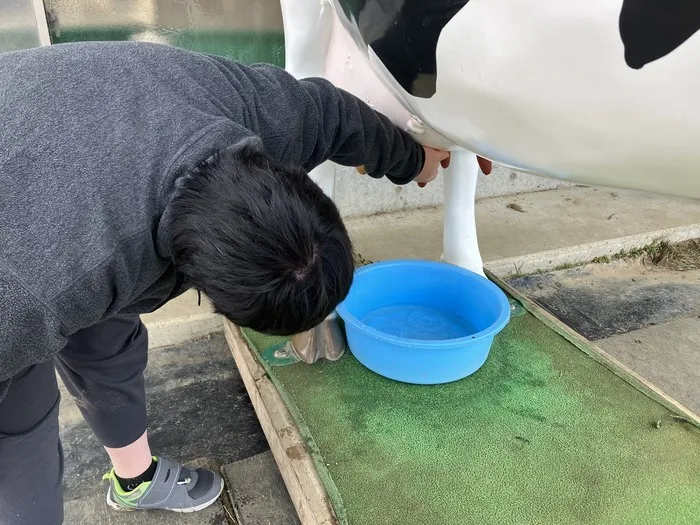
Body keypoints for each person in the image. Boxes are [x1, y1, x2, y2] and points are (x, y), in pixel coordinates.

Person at [0, 40, 453, 524]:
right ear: (210, 293)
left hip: (57, 140)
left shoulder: (253, 109)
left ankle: (135, 480)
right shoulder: (31, 297)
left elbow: (335, 114)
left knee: (108, 333)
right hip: (20, 245)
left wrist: (415, 160)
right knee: (19, 440)